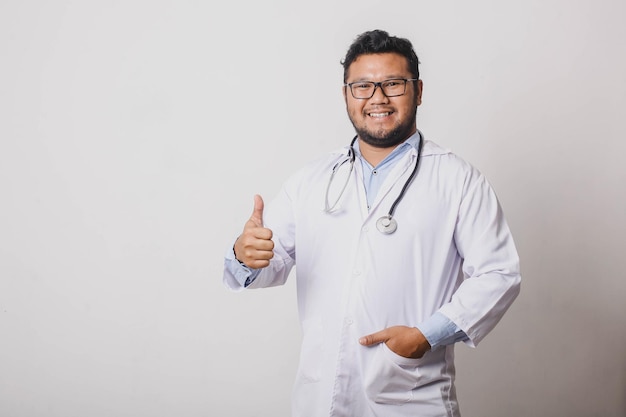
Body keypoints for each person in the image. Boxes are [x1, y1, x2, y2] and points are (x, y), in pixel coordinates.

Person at [223, 29, 521, 417]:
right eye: (362, 86)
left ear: (418, 91)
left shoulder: (458, 180)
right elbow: (268, 264)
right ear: (346, 94)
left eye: (393, 84)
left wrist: (425, 336)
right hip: (321, 396)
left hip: (413, 396)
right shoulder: (311, 180)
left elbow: (499, 274)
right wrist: (244, 255)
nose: (377, 98)